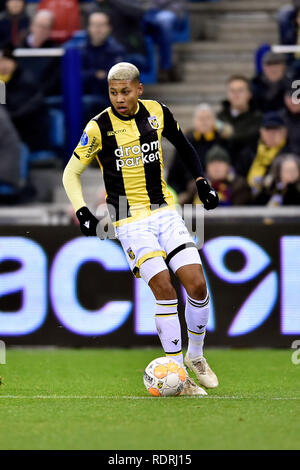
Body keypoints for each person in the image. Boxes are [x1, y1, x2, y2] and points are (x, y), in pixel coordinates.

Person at [63, 62, 219, 396]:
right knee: (164, 288)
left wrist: (201, 181)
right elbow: (70, 173)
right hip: (128, 218)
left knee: (197, 283)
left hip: (165, 210)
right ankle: (178, 374)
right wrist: (82, 211)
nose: (119, 98)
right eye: (113, 92)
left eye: (125, 91)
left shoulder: (157, 112)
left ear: (139, 89)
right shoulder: (98, 127)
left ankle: (196, 356)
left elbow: (184, 144)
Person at [168, 103, 232, 204]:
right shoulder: (184, 143)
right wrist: (180, 193)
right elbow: (174, 175)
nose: (204, 122)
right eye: (201, 119)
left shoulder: (223, 141)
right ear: (194, 121)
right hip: (189, 193)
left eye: (207, 118)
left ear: (214, 121)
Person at [0, 44, 50, 151]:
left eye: (6, 60)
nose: (3, 65)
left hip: (28, 132)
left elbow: (17, 112)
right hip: (11, 129)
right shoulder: (3, 82)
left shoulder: (26, 81)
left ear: (14, 61)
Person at [81, 12, 127, 118]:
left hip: (109, 100)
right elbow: (76, 78)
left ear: (109, 28)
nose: (98, 29)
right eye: (94, 25)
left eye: (102, 25)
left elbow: (117, 81)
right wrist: (95, 74)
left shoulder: (117, 51)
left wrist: (90, 75)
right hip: (83, 95)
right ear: (89, 28)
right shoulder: (79, 51)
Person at [217, 75, 262, 170]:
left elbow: (251, 136)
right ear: (227, 94)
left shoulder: (258, 118)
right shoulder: (219, 117)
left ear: (249, 94)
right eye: (232, 91)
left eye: (240, 90)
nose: (236, 94)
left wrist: (229, 134)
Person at [19, 10, 61, 97]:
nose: (42, 30)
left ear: (50, 31)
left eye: (46, 27)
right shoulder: (18, 49)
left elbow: (53, 82)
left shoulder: (56, 52)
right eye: (40, 26)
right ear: (32, 26)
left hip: (42, 99)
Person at [246, 113, 289, 196]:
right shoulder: (250, 151)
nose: (271, 133)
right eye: (268, 129)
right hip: (250, 198)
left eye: (276, 129)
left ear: (284, 132)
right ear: (261, 132)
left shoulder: (290, 153)